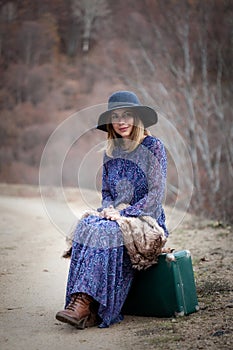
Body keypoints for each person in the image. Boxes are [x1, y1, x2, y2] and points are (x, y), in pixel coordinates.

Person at [55, 91, 169, 329]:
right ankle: (78, 301)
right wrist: (108, 209)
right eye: (116, 116)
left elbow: (156, 195)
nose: (121, 121)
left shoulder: (153, 146)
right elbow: (107, 193)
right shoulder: (110, 153)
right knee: (86, 226)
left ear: (137, 118)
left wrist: (123, 215)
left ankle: (87, 305)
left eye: (127, 115)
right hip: (116, 216)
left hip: (146, 219)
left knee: (107, 232)